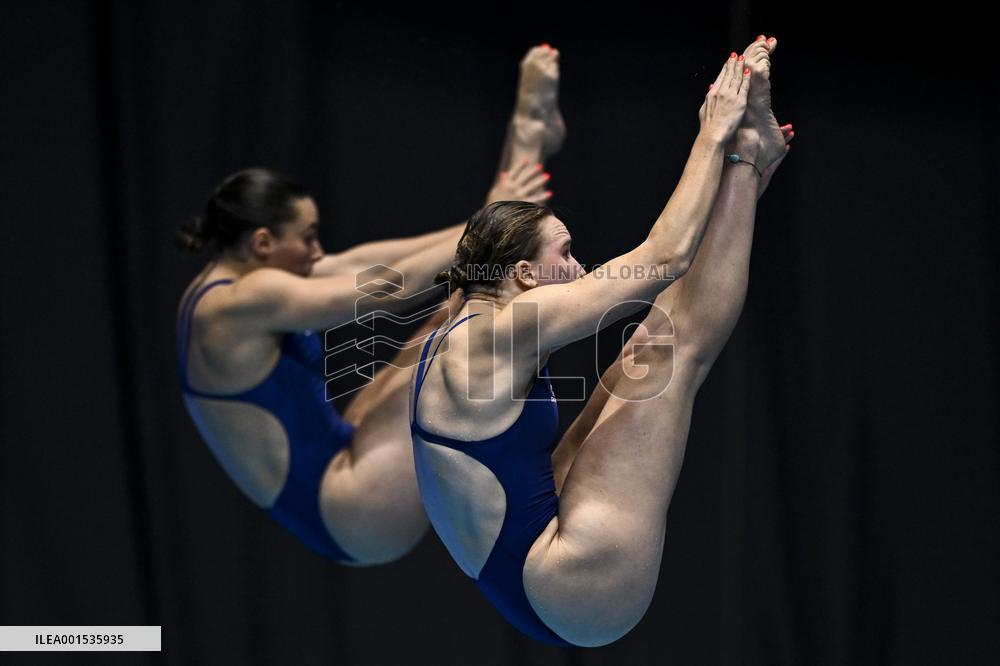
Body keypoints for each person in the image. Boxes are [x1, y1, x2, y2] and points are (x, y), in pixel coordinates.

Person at [410, 36, 793, 645]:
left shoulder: (459, 325)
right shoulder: (496, 334)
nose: (582, 268)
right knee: (673, 351)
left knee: (650, 343)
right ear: (525, 275)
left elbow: (663, 279)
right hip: (572, 587)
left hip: (535, 576)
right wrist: (712, 132)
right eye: (565, 252)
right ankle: (747, 154)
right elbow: (662, 257)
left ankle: (751, 163)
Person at [175, 44, 565, 565]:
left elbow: (366, 262)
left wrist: (481, 216)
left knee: (450, 323)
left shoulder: (230, 281)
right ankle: (527, 142)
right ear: (262, 242)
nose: (318, 251)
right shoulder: (239, 303)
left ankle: (524, 155)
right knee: (467, 315)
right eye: (309, 237)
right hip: (350, 510)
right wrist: (483, 220)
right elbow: (386, 289)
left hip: (342, 463)